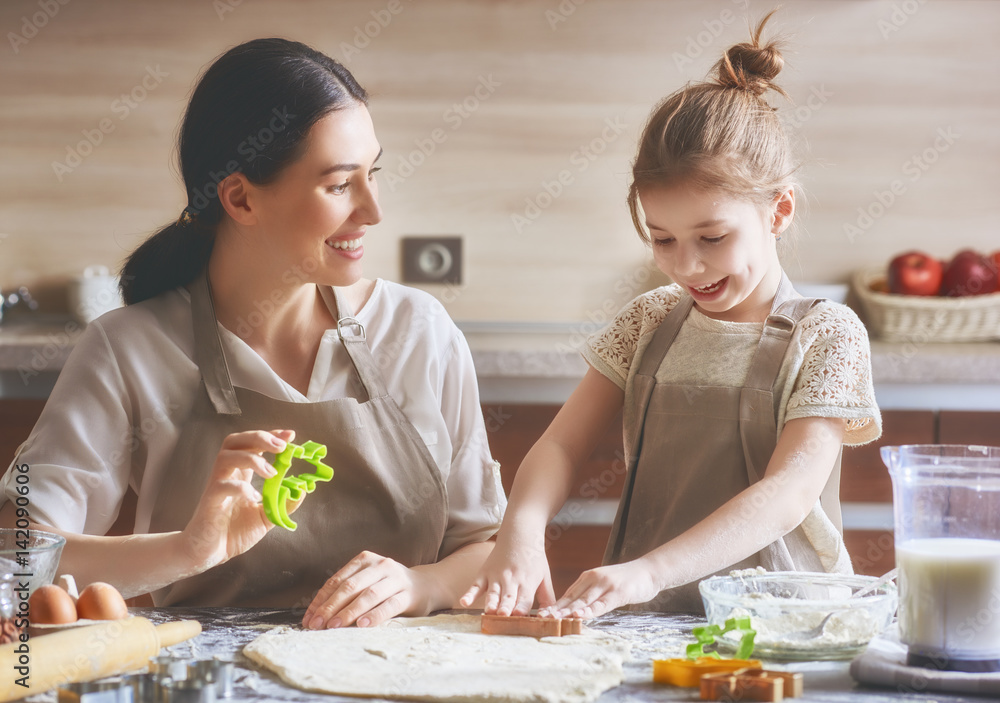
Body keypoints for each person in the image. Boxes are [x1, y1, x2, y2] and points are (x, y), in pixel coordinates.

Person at [0, 38, 506, 629]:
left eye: (374, 174)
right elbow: (16, 551)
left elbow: (489, 546)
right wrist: (189, 548)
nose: (373, 210)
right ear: (240, 197)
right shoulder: (127, 351)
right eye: (341, 185)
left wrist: (419, 585)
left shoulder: (420, 332)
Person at [461, 13, 882, 618]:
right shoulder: (650, 320)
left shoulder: (827, 335)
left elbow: (787, 495)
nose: (686, 267)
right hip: (652, 615)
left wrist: (649, 571)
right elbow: (559, 445)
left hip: (788, 624)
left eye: (712, 238)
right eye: (662, 239)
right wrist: (521, 532)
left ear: (779, 210)